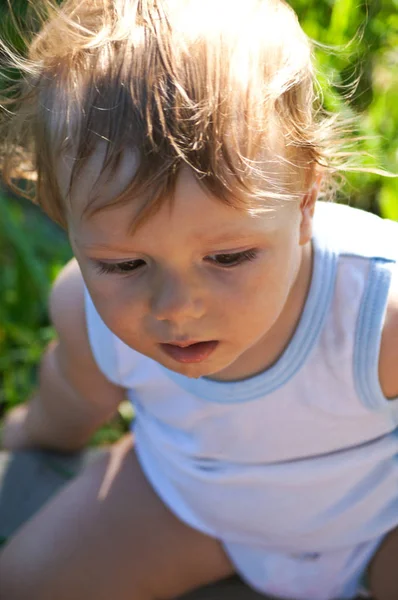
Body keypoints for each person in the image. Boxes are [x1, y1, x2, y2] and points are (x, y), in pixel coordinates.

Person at [0, 0, 397, 598]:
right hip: (189, 506)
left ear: (305, 206)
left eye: (230, 257)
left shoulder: (377, 312)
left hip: (379, 519)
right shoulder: (87, 311)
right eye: (124, 264)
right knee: (26, 582)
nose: (176, 306)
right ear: (66, 223)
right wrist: (31, 435)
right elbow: (75, 394)